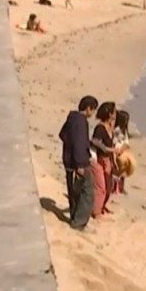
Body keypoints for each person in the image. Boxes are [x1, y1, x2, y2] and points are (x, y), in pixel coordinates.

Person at [59, 95, 98, 230]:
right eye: (93, 110)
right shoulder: (81, 122)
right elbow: (79, 144)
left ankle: (74, 217)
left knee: (73, 191)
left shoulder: (72, 118)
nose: (92, 114)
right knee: (87, 193)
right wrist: (80, 164)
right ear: (88, 109)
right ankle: (79, 222)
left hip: (68, 160)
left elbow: (62, 135)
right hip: (78, 163)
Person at [90, 101, 119, 218]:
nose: (115, 114)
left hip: (108, 161)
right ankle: (96, 212)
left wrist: (114, 160)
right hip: (99, 159)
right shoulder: (100, 128)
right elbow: (95, 142)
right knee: (100, 187)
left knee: (109, 187)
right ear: (109, 114)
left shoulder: (110, 127)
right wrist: (110, 150)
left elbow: (113, 144)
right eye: (114, 112)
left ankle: (102, 206)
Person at [112, 110, 131, 195]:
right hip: (116, 150)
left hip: (122, 150)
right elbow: (113, 141)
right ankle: (115, 187)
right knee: (116, 169)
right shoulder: (116, 130)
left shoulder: (124, 131)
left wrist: (123, 149)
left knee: (123, 170)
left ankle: (120, 187)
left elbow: (126, 142)